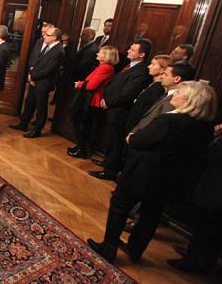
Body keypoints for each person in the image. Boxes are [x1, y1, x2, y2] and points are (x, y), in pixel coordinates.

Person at [87, 81, 217, 264]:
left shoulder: (169, 121)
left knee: (119, 206)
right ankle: (135, 249)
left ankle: (109, 247)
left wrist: (131, 138)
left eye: (178, 93)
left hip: (143, 173)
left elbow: (139, 141)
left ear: (189, 100)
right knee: (151, 214)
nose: (174, 95)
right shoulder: (205, 127)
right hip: (170, 178)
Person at [88, 38, 153, 181]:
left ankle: (110, 170)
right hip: (112, 107)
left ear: (142, 55)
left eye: (133, 50)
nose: (129, 50)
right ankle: (107, 162)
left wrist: (109, 102)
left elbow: (128, 93)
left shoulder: (141, 71)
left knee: (115, 140)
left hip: (120, 110)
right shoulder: (130, 65)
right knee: (110, 138)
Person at [167, 126, 222, 273]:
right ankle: (194, 254)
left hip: (216, 189)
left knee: (208, 226)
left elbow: (211, 152)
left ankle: (196, 261)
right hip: (212, 186)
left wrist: (215, 136)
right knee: (204, 224)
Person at [10, 27, 65, 138]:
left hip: (44, 83)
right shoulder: (48, 46)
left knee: (41, 107)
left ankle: (37, 130)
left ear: (54, 37)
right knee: (30, 103)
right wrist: (31, 76)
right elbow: (37, 61)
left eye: (47, 35)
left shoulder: (58, 51)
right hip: (35, 80)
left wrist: (33, 77)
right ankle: (23, 124)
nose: (44, 36)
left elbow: (49, 70)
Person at [67, 46, 119, 159]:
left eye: (100, 52)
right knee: (81, 124)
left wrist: (79, 84)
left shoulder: (106, 68)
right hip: (89, 98)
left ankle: (82, 149)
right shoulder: (103, 66)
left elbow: (91, 85)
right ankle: (80, 146)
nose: (97, 54)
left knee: (81, 124)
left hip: (91, 100)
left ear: (106, 56)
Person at [129, 63, 196, 134]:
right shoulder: (167, 93)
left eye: (165, 74)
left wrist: (136, 135)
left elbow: (157, 126)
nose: (161, 77)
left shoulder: (175, 100)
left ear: (176, 79)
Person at [123, 54, 173, 135]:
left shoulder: (158, 88)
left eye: (153, 64)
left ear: (162, 69)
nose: (149, 66)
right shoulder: (153, 83)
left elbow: (149, 112)